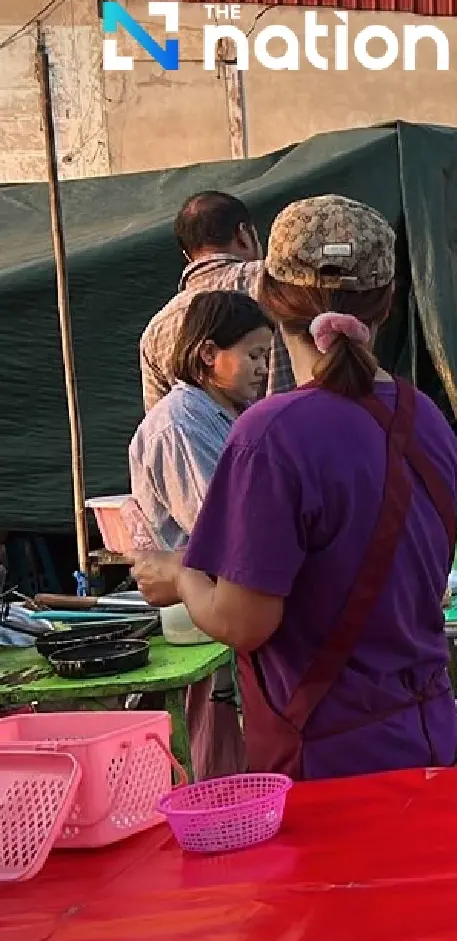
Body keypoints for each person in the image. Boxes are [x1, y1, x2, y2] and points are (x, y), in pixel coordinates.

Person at [134, 195, 457, 780]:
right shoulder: (428, 418)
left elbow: (244, 622)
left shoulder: (270, 435)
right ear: (387, 303)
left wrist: (181, 575)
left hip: (330, 764)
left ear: (268, 300)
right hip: (432, 741)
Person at [127, 289, 275, 781]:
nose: (262, 369)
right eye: (253, 355)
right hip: (199, 619)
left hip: (220, 605)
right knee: (220, 762)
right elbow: (224, 531)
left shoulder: (225, 415)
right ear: (208, 354)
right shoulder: (179, 425)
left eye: (266, 357)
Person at [140, 190, 296, 408]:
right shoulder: (280, 280)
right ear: (243, 234)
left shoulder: (155, 334)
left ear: (187, 255)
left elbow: (162, 419)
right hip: (296, 437)